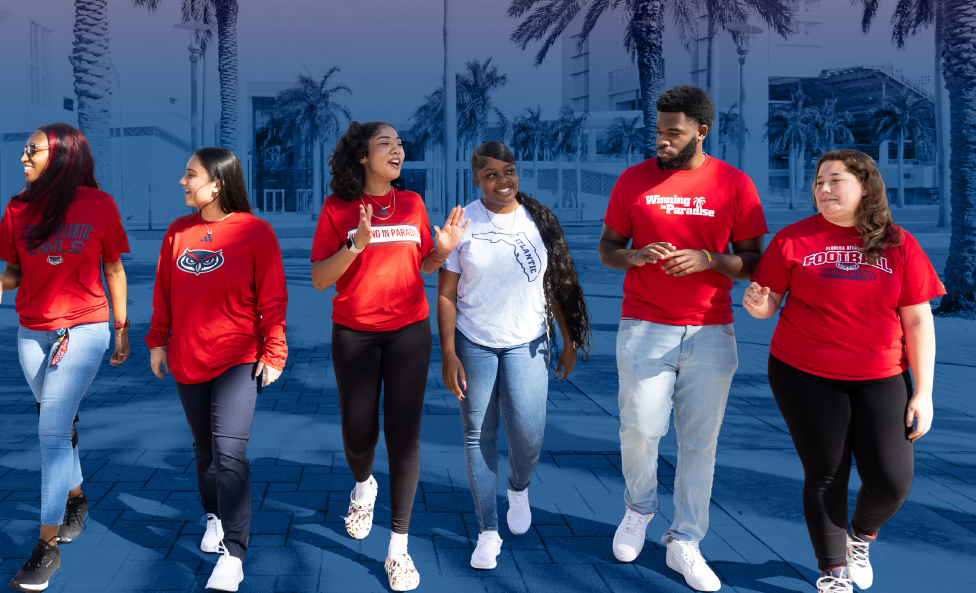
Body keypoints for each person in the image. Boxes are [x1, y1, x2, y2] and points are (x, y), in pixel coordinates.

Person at [742, 150, 942, 593]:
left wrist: (923, 392)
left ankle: (859, 537)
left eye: (835, 180)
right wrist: (759, 306)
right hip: (804, 373)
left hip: (882, 374)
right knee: (827, 473)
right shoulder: (793, 239)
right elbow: (769, 302)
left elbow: (918, 320)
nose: (824, 189)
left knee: (892, 480)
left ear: (865, 186)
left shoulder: (898, 243)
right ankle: (832, 573)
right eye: (818, 182)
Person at [597, 86, 766, 592]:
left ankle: (685, 540)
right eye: (659, 131)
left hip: (711, 331)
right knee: (641, 430)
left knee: (699, 443)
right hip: (644, 326)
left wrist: (710, 260)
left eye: (673, 132)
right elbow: (608, 248)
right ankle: (638, 510)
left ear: (701, 130)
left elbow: (755, 260)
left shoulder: (735, 185)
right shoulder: (633, 180)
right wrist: (636, 256)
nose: (662, 140)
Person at [0, 123, 131, 592]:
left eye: (33, 151)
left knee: (51, 433)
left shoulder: (98, 205)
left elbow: (114, 268)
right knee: (57, 425)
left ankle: (46, 548)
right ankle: (77, 497)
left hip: (84, 328)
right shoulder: (18, 207)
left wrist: (121, 330)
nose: (24, 157)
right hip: (31, 334)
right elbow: (13, 272)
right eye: (24, 150)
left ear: (62, 156)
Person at [309, 121, 465, 591]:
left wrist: (440, 252)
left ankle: (397, 548)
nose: (398, 149)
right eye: (385, 143)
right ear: (362, 156)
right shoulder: (337, 208)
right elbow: (319, 278)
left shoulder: (413, 203)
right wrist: (356, 243)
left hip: (408, 332)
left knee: (404, 438)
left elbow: (421, 265)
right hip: (354, 335)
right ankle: (363, 486)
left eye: (399, 143)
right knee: (359, 437)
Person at [436, 142, 592, 571]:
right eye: (491, 175)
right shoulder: (462, 222)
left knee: (528, 433)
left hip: (527, 342)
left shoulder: (538, 220)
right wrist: (448, 352)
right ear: (476, 180)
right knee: (477, 434)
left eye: (509, 171)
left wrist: (569, 339)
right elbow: (446, 293)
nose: (502, 181)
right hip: (474, 342)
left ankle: (518, 487)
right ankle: (488, 530)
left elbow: (557, 284)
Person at [146, 147, 288, 592]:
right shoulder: (178, 232)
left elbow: (272, 297)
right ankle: (213, 516)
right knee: (205, 450)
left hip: (237, 358)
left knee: (230, 454)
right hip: (188, 358)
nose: (183, 183)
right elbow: (164, 293)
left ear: (217, 183)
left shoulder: (255, 232)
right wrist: (156, 340)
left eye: (191, 175)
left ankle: (234, 554)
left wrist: (274, 350)